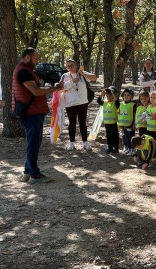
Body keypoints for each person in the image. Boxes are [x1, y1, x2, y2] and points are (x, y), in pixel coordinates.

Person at [13, 47, 62, 182]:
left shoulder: (27, 70)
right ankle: (35, 174)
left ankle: (27, 172)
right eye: (36, 59)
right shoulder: (24, 72)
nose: (38, 61)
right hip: (31, 113)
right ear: (27, 57)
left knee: (33, 143)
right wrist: (53, 88)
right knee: (34, 144)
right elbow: (36, 91)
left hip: (34, 112)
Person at [60, 59, 96, 151]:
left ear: (76, 65)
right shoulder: (65, 76)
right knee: (72, 123)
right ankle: (71, 142)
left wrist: (84, 73)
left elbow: (94, 78)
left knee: (83, 123)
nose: (70, 68)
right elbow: (61, 87)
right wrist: (72, 82)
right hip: (70, 104)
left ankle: (85, 142)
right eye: (68, 66)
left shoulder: (82, 73)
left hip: (82, 103)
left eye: (72, 65)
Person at [97, 86, 120, 153]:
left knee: (115, 136)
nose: (108, 98)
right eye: (107, 96)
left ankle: (116, 148)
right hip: (107, 124)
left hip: (114, 123)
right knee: (109, 136)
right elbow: (98, 101)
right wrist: (102, 94)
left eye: (110, 96)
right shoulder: (105, 103)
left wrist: (113, 93)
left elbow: (117, 101)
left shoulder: (115, 104)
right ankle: (110, 147)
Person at [118, 88, 136, 155]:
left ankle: (132, 149)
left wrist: (134, 123)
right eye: (125, 95)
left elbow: (134, 115)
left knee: (130, 137)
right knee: (125, 137)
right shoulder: (121, 104)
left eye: (128, 95)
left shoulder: (133, 105)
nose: (126, 96)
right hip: (123, 124)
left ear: (131, 96)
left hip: (130, 124)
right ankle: (127, 148)